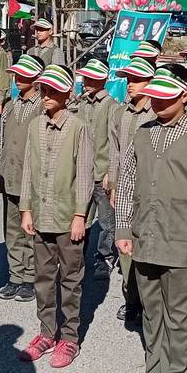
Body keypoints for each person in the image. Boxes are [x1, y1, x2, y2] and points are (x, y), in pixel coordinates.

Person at [115, 65, 187, 373]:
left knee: (178, 315)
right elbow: (127, 180)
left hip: (182, 240)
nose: (157, 104)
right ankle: (153, 372)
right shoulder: (143, 133)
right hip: (146, 237)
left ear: (183, 95)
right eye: (154, 98)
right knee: (151, 311)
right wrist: (122, 228)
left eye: (164, 98)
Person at [17, 64, 94, 368]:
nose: (45, 95)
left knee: (70, 279)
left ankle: (70, 336)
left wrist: (80, 215)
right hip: (40, 213)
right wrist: (26, 208)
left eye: (51, 90)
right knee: (43, 277)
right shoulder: (35, 126)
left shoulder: (78, 127)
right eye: (42, 90)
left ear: (65, 93)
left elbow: (85, 174)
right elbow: (28, 169)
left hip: (66, 216)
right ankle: (47, 332)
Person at [0, 54, 45, 303]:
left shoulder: (43, 106)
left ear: (35, 78)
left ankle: (31, 277)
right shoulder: (11, 105)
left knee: (30, 229)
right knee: (11, 228)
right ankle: (15, 274)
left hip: (31, 178)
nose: (17, 79)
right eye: (16, 74)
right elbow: (1, 138)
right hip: (10, 175)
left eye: (23, 75)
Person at [108, 57, 157, 323]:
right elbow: (114, 150)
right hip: (126, 190)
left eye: (136, 80)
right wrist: (113, 182)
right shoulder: (120, 113)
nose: (130, 85)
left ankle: (150, 300)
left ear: (150, 81)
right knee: (125, 246)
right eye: (128, 80)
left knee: (149, 244)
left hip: (150, 189)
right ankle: (132, 299)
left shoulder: (157, 113)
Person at [74, 58, 121, 280]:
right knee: (81, 216)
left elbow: (114, 142)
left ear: (102, 80)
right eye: (85, 78)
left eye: (91, 78)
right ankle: (77, 255)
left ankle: (104, 257)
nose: (86, 82)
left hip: (101, 173)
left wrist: (111, 173)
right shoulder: (82, 104)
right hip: (83, 173)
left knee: (106, 221)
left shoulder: (111, 106)